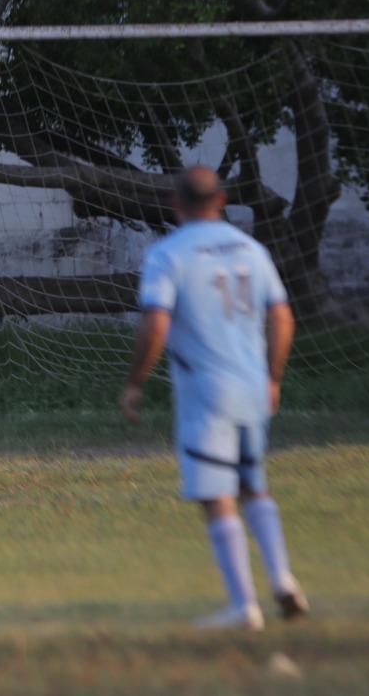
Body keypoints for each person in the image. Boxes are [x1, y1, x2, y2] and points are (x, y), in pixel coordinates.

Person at [120, 167, 307, 630]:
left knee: (216, 495)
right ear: (222, 199)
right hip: (251, 384)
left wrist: (136, 382)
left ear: (173, 203)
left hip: (206, 389)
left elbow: (157, 323)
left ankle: (245, 607)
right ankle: (282, 578)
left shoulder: (168, 254)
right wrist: (274, 378)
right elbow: (282, 318)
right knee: (253, 486)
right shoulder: (252, 249)